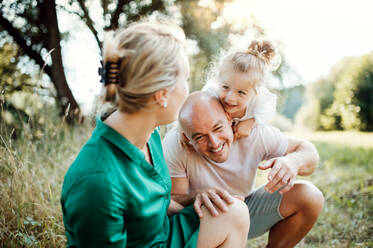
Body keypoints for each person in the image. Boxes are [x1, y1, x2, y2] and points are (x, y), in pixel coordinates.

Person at [60, 21, 249, 248]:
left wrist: (193, 198)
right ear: (162, 96)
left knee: (233, 212)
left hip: (163, 235)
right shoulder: (96, 183)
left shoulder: (150, 134)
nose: (188, 89)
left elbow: (146, 202)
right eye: (185, 79)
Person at [163, 91, 324, 248]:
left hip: (246, 207)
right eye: (200, 137)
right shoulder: (176, 145)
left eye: (218, 128)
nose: (214, 142)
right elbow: (171, 204)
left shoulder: (254, 134)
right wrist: (196, 196)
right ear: (187, 138)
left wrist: (293, 162)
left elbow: (308, 151)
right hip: (201, 220)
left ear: (228, 118)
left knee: (309, 196)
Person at [203, 40, 280, 139]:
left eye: (241, 92)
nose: (230, 98)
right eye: (225, 87)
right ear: (218, 81)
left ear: (255, 93)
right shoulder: (210, 95)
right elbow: (193, 111)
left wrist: (251, 122)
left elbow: (269, 109)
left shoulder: (260, 101)